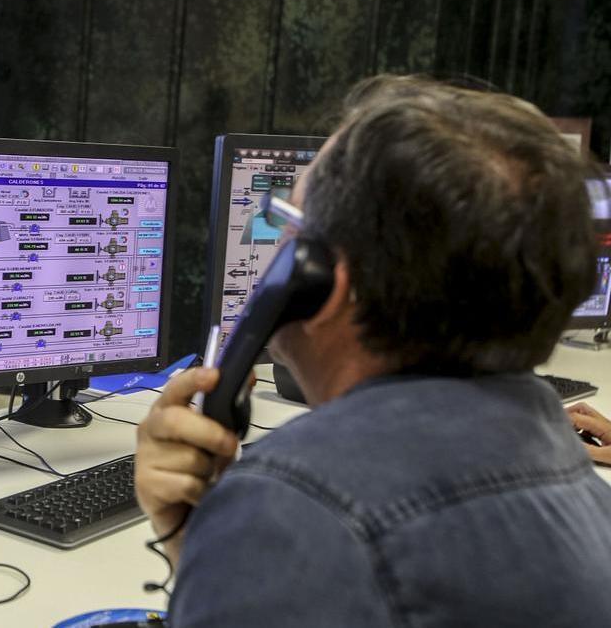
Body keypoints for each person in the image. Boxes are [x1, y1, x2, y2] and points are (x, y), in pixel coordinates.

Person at [135, 75, 611, 626]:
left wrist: (236, 536)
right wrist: (206, 553)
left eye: (287, 225)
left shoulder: (292, 512)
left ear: (319, 280)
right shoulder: (571, 478)